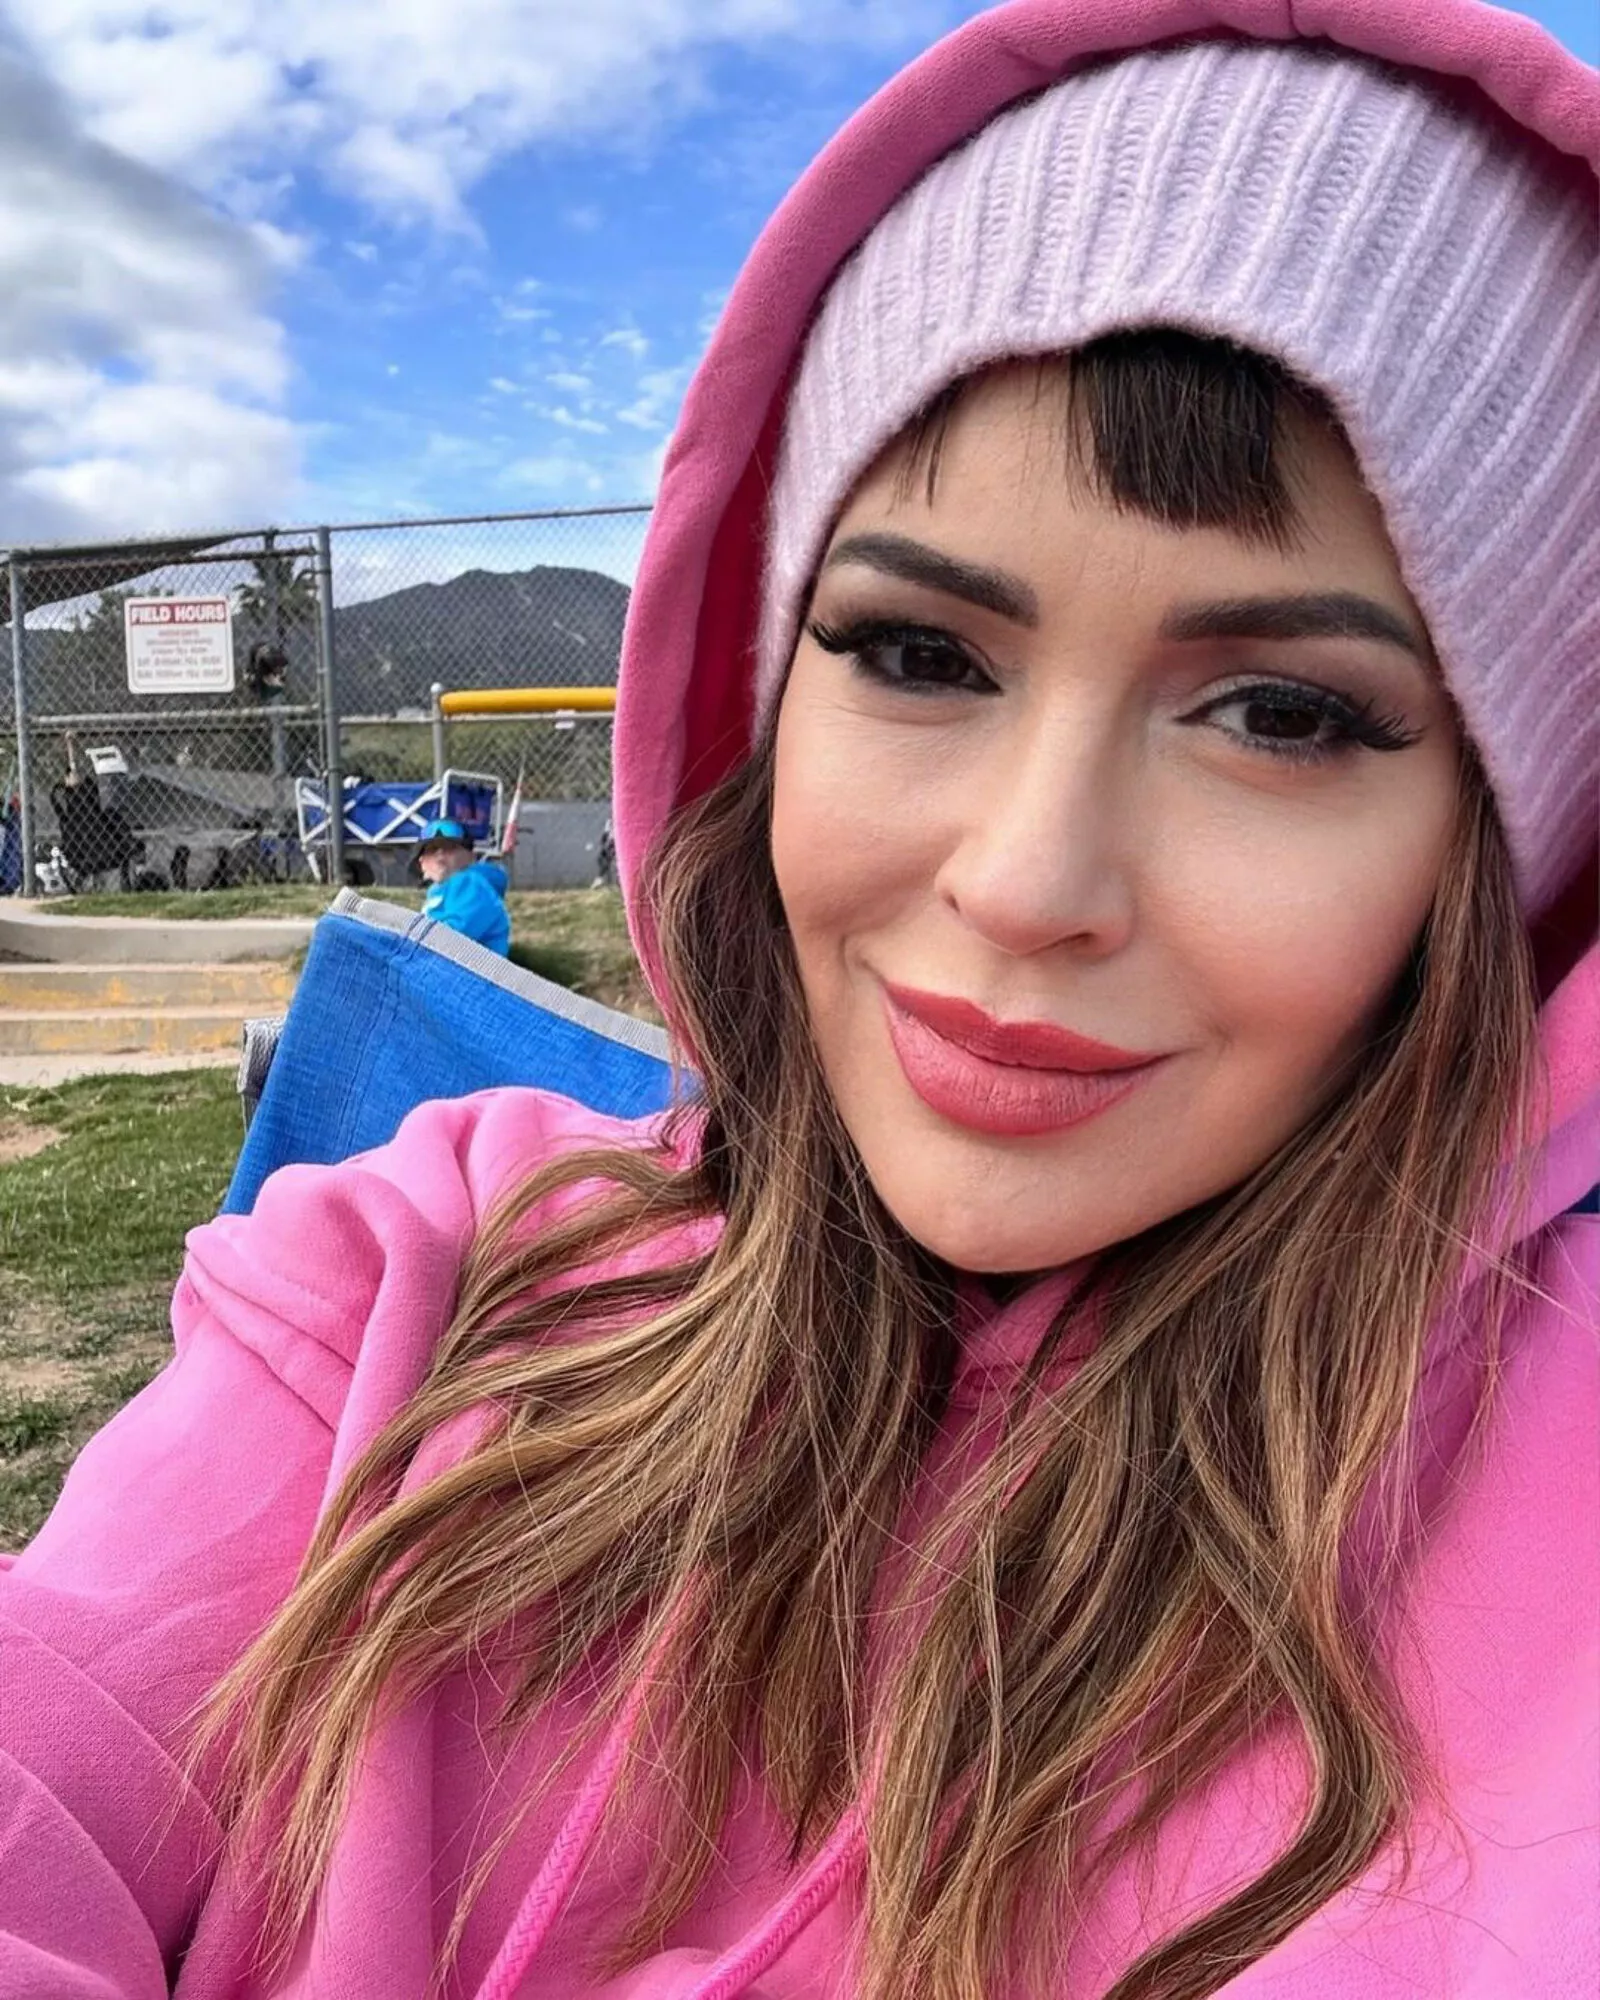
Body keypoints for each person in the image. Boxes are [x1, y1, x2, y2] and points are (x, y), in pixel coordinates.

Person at [2, 5, 1595, 1998]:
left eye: (1279, 714)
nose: (1023, 881)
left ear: (1504, 849)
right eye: (920, 654)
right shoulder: (421, 1278)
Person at [415, 813, 512, 956]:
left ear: (471, 857)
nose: (440, 853)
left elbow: (452, 938)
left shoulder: (471, 884)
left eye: (450, 847)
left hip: (473, 968)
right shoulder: (437, 892)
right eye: (432, 849)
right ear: (422, 863)